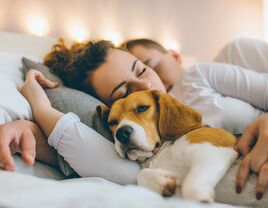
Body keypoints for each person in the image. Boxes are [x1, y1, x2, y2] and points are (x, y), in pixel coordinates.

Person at [122, 38, 268, 199]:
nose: (146, 86)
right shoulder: (158, 132)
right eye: (126, 91)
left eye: (148, 68)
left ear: (175, 56)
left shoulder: (233, 54)